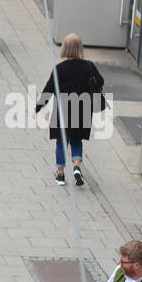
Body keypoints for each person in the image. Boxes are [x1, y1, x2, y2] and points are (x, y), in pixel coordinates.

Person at [35, 33, 107, 186]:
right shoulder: (89, 66)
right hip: (82, 110)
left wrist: (37, 108)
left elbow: (48, 90)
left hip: (63, 110)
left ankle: (60, 175)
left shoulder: (59, 69)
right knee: (77, 140)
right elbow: (101, 81)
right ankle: (76, 167)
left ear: (65, 48)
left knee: (61, 142)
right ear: (80, 48)